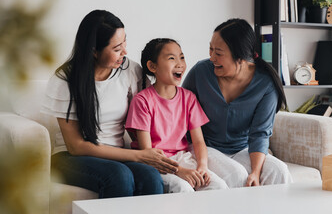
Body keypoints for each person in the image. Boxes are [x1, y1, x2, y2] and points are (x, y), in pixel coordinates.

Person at [41, 10, 179, 198]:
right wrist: (138, 156)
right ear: (94, 51)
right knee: (119, 176)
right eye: (116, 48)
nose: (125, 52)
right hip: (71, 157)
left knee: (151, 177)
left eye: (124, 43)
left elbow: (142, 120)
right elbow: (76, 146)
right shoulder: (66, 79)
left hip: (116, 154)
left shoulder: (129, 70)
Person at [182, 19, 292, 187]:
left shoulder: (266, 84)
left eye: (218, 53)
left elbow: (260, 133)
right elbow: (180, 110)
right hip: (204, 147)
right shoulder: (200, 72)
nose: (211, 57)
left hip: (241, 149)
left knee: (279, 171)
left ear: (241, 58)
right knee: (237, 174)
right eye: (210, 49)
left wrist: (255, 172)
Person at [125, 38, 228, 193]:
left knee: (218, 186)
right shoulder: (142, 101)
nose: (180, 63)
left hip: (182, 157)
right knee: (183, 188)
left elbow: (198, 141)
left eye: (182, 57)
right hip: (154, 163)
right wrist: (179, 171)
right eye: (171, 58)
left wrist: (202, 166)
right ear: (152, 66)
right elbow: (147, 152)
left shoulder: (189, 98)